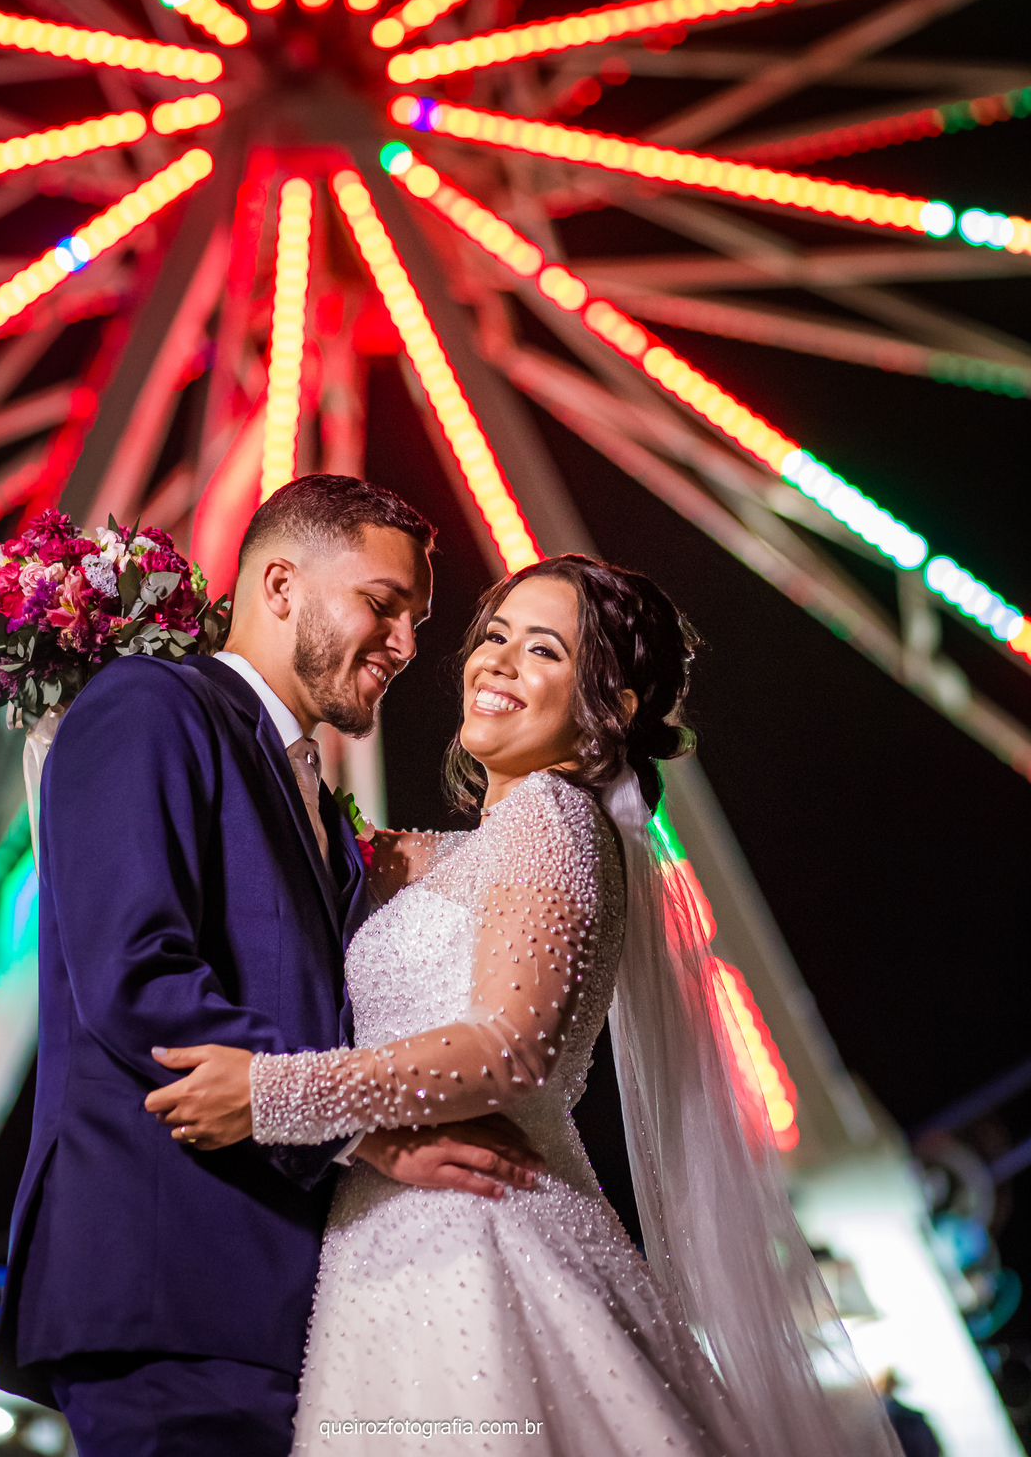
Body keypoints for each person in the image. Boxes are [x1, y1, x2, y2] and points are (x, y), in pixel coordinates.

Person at [148, 555, 903, 1456]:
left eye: (542, 650)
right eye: (493, 636)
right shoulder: (470, 851)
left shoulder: (556, 817)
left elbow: (511, 1051)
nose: (498, 663)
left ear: (613, 708)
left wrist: (273, 1096)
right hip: (404, 1241)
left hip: (483, 1238)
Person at [0, 476, 544, 1456]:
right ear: (280, 584)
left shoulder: (317, 802)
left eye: (416, 620)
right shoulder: (146, 706)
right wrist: (361, 1128)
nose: (408, 646)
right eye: (382, 604)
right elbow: (135, 976)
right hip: (171, 1278)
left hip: (284, 1300)